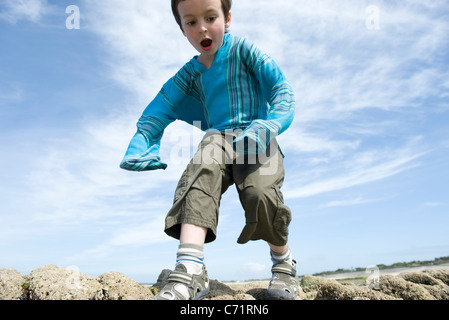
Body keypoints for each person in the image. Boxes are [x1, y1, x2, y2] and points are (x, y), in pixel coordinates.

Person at [120, 0, 297, 300]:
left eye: (210, 17)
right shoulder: (189, 74)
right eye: (190, 22)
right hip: (218, 137)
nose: (201, 27)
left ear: (227, 19)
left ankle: (283, 263)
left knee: (261, 194)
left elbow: (282, 90)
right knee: (200, 175)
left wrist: (269, 126)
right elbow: (162, 105)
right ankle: (190, 269)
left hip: (258, 134)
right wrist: (144, 138)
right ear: (183, 30)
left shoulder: (245, 52)